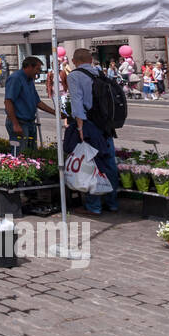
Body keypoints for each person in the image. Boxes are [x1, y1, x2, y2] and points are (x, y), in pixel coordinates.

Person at [65, 49, 121, 214]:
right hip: (106, 124)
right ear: (90, 60)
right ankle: (112, 203)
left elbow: (77, 103)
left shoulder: (74, 76)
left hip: (89, 124)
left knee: (90, 163)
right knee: (109, 162)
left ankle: (94, 205)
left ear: (75, 61)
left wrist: (80, 128)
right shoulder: (99, 73)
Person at [3, 57, 54, 154]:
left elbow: (37, 102)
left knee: (31, 153)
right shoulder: (16, 78)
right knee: (20, 154)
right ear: (30, 67)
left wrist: (55, 113)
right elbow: (8, 102)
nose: (38, 72)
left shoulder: (29, 79)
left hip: (29, 123)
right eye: (37, 69)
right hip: (19, 122)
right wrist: (15, 124)